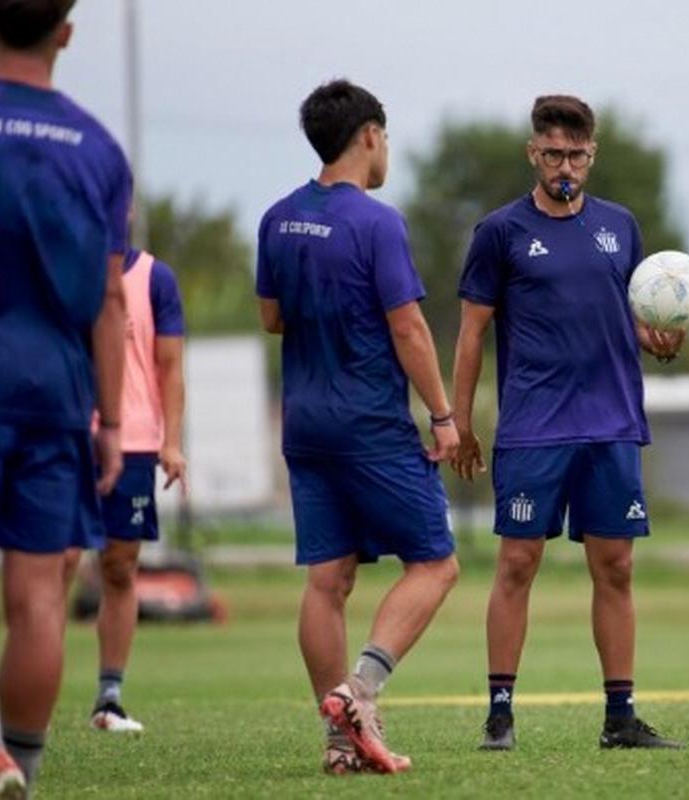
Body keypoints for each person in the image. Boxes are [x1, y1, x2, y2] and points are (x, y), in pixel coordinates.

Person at [451, 94, 685, 751]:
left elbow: (628, 317)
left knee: (616, 568)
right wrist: (460, 422)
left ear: (592, 156)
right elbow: (471, 335)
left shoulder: (621, 226)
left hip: (611, 425)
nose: (565, 166)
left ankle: (621, 717)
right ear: (533, 153)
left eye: (576, 155)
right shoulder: (500, 232)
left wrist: (657, 338)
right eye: (552, 153)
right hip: (534, 426)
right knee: (518, 563)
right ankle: (500, 714)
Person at [256, 79, 460, 776]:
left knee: (327, 580)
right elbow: (408, 326)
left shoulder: (278, 218)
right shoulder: (377, 223)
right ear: (369, 135)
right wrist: (444, 415)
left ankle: (341, 746)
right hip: (370, 424)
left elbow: (271, 318)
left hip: (305, 424)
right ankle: (359, 693)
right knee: (436, 563)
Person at [0, 0, 132, 793]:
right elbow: (110, 302)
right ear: (67, 34)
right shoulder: (99, 150)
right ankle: (21, 762)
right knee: (38, 594)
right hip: (52, 391)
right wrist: (112, 421)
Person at [62, 239, 187, 734]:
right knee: (56, 565)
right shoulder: (58, 263)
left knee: (118, 567)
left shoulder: (157, 278)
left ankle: (109, 698)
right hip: (68, 438)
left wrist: (171, 442)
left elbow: (170, 367)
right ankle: (29, 701)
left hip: (134, 443)